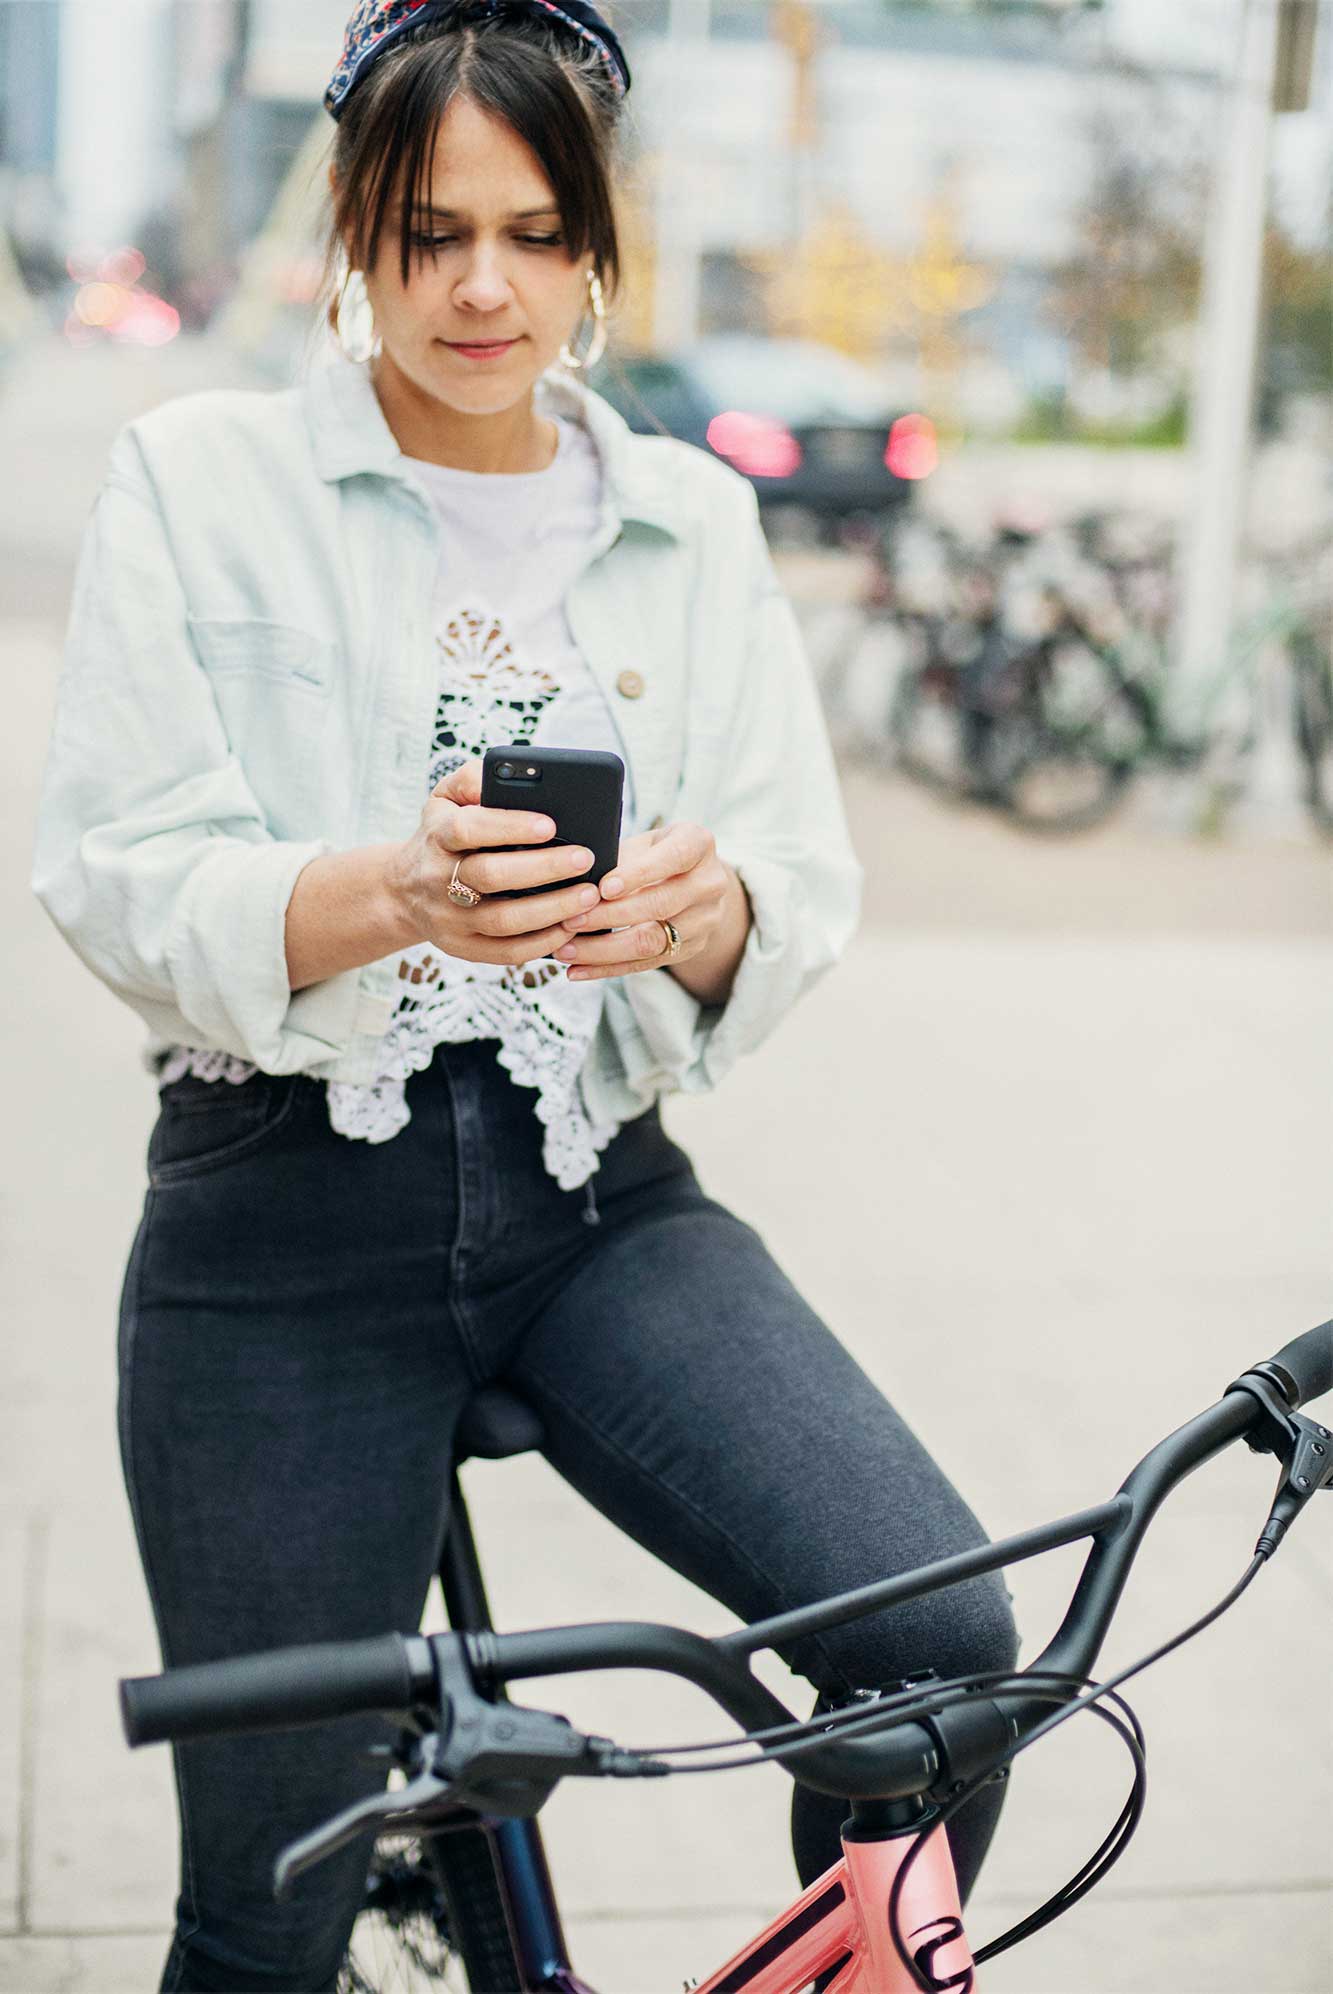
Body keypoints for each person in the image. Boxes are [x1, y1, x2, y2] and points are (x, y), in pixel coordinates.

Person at [30, 3, 1017, 1986]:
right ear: (355, 233)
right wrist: (385, 888)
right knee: (270, 1894)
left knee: (937, 1654)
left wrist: (704, 905)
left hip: (594, 1198)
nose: (482, 284)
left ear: (594, 250)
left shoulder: (694, 517)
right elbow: (115, 871)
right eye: (428, 229)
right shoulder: (196, 478)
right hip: (272, 1223)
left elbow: (795, 878)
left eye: (535, 230)